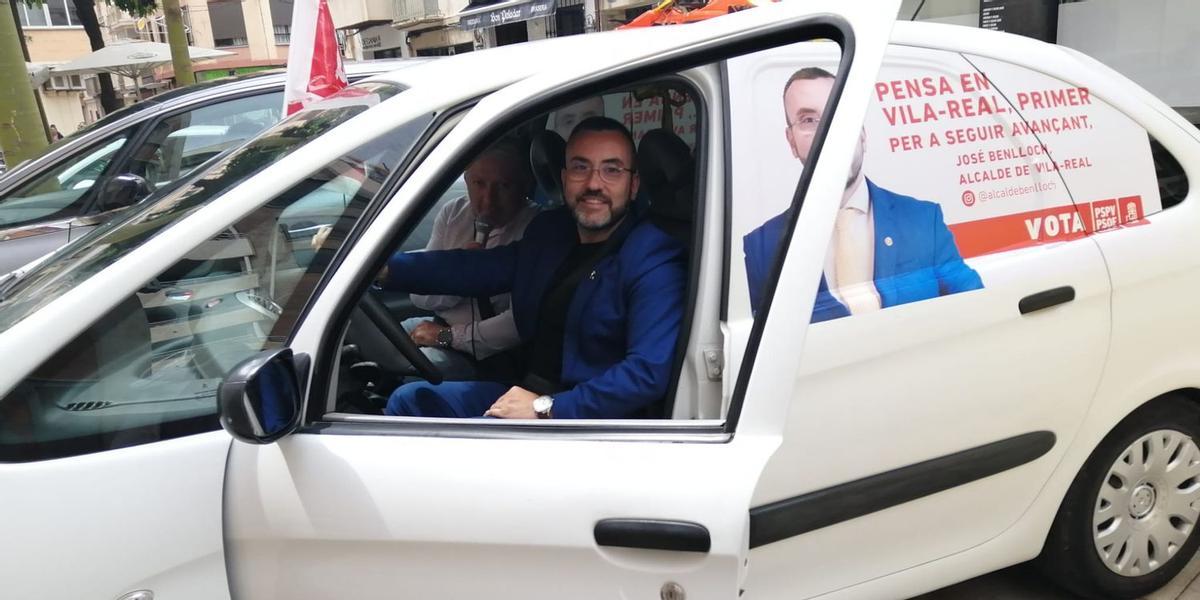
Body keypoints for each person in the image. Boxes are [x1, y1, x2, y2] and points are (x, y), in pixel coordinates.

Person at [384, 116, 685, 419]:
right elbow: (477, 268)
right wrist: (385, 270)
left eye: (612, 170)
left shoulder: (653, 255)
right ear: (565, 177)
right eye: (581, 168)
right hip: (528, 390)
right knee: (412, 400)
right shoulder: (553, 232)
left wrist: (547, 409)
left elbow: (646, 373)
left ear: (633, 185)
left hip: (585, 417)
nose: (594, 184)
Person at [743, 67, 982, 322]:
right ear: (791, 141)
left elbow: (973, 308)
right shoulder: (762, 248)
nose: (828, 132)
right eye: (808, 120)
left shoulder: (923, 220)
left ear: (863, 134)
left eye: (839, 114)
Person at [404, 140, 540, 379]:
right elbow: (419, 295)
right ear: (466, 180)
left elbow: (516, 326)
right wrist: (462, 276)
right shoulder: (453, 213)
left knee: (414, 367)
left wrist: (446, 337)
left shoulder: (537, 227)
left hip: (489, 353)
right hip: (441, 325)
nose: (488, 200)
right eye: (479, 184)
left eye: (504, 186)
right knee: (378, 336)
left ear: (524, 187)